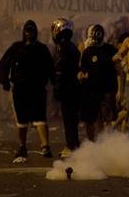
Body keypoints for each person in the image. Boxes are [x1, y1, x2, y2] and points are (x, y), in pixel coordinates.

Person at [0, 20, 55, 162]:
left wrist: (54, 83)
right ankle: (22, 146)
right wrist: (4, 80)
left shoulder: (42, 49)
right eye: (28, 31)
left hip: (37, 89)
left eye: (32, 30)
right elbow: (3, 64)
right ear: (24, 32)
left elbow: (50, 67)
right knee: (22, 120)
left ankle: (45, 145)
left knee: (40, 117)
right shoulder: (16, 48)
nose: (30, 33)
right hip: (20, 89)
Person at [78, 24, 122, 140]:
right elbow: (82, 69)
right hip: (91, 92)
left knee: (109, 119)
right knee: (92, 119)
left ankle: (109, 144)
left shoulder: (110, 50)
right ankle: (94, 145)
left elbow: (120, 72)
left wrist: (119, 91)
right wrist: (81, 76)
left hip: (108, 90)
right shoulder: (87, 51)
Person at [51, 18, 81, 158]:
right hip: (74, 86)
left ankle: (71, 146)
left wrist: (57, 87)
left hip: (66, 87)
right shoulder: (72, 46)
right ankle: (74, 144)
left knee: (68, 118)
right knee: (72, 119)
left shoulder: (61, 48)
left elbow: (59, 70)